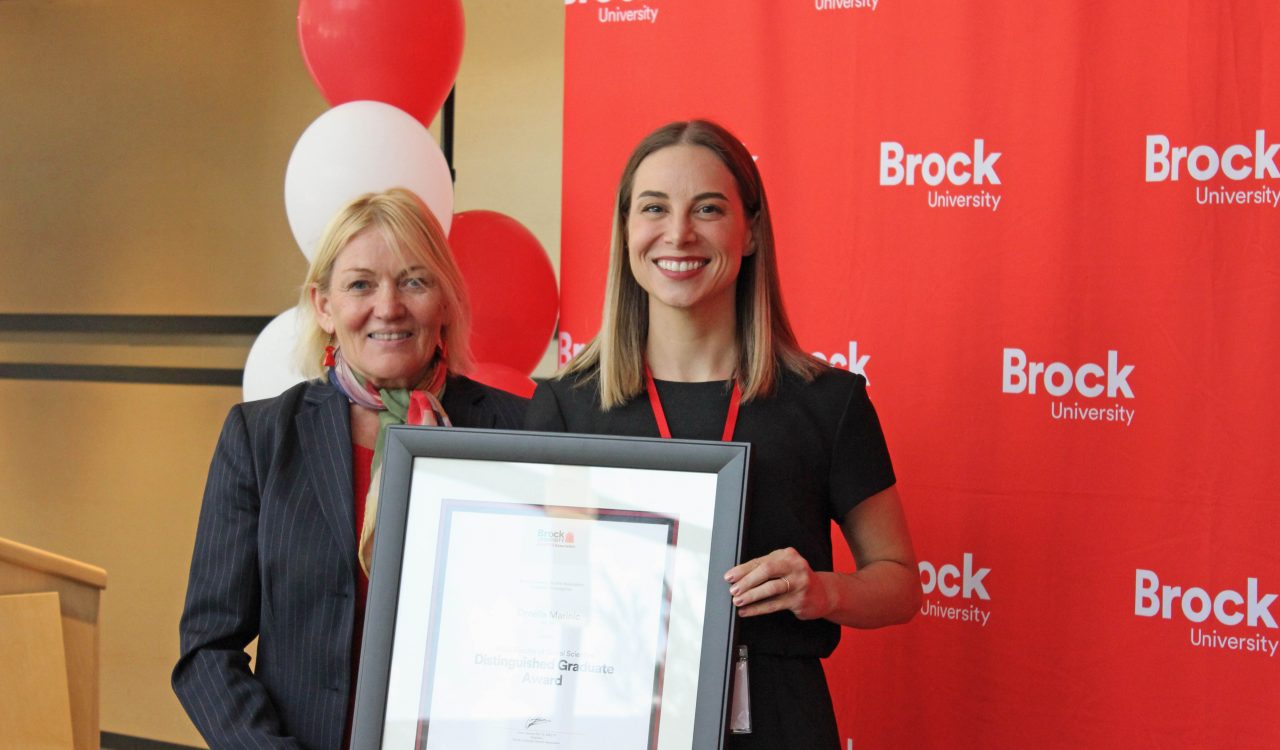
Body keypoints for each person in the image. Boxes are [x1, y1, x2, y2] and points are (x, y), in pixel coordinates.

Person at [525, 120, 920, 748]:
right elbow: (529, 590)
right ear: (627, 230)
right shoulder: (565, 406)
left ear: (751, 231)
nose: (677, 233)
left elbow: (899, 583)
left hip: (780, 723)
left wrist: (823, 592)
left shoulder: (828, 402)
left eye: (708, 209)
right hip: (606, 719)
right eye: (653, 208)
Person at [174, 188, 528, 750]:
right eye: (361, 284)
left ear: (445, 300)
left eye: (414, 280)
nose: (388, 307)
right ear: (324, 306)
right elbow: (207, 649)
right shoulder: (261, 438)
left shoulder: (519, 430)